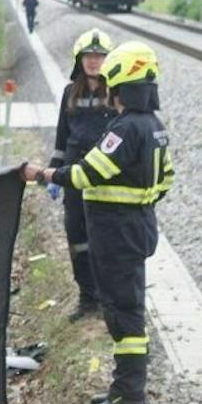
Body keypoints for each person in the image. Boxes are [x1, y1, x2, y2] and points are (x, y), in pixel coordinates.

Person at [23, 41, 173, 404]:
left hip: (117, 233)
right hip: (135, 226)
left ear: (121, 85)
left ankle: (128, 392)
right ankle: (127, 388)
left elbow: (87, 173)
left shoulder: (122, 130)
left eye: (109, 82)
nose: (105, 88)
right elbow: (166, 178)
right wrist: (140, 201)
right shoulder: (154, 126)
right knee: (128, 306)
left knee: (123, 311)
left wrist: (43, 175)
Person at [49, 29, 115, 319]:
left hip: (102, 178)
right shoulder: (69, 93)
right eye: (89, 56)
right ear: (80, 59)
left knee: (102, 239)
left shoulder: (116, 93)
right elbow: (62, 139)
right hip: (74, 177)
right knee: (77, 237)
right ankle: (87, 298)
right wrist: (54, 172)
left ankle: (107, 299)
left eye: (99, 56)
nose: (94, 62)